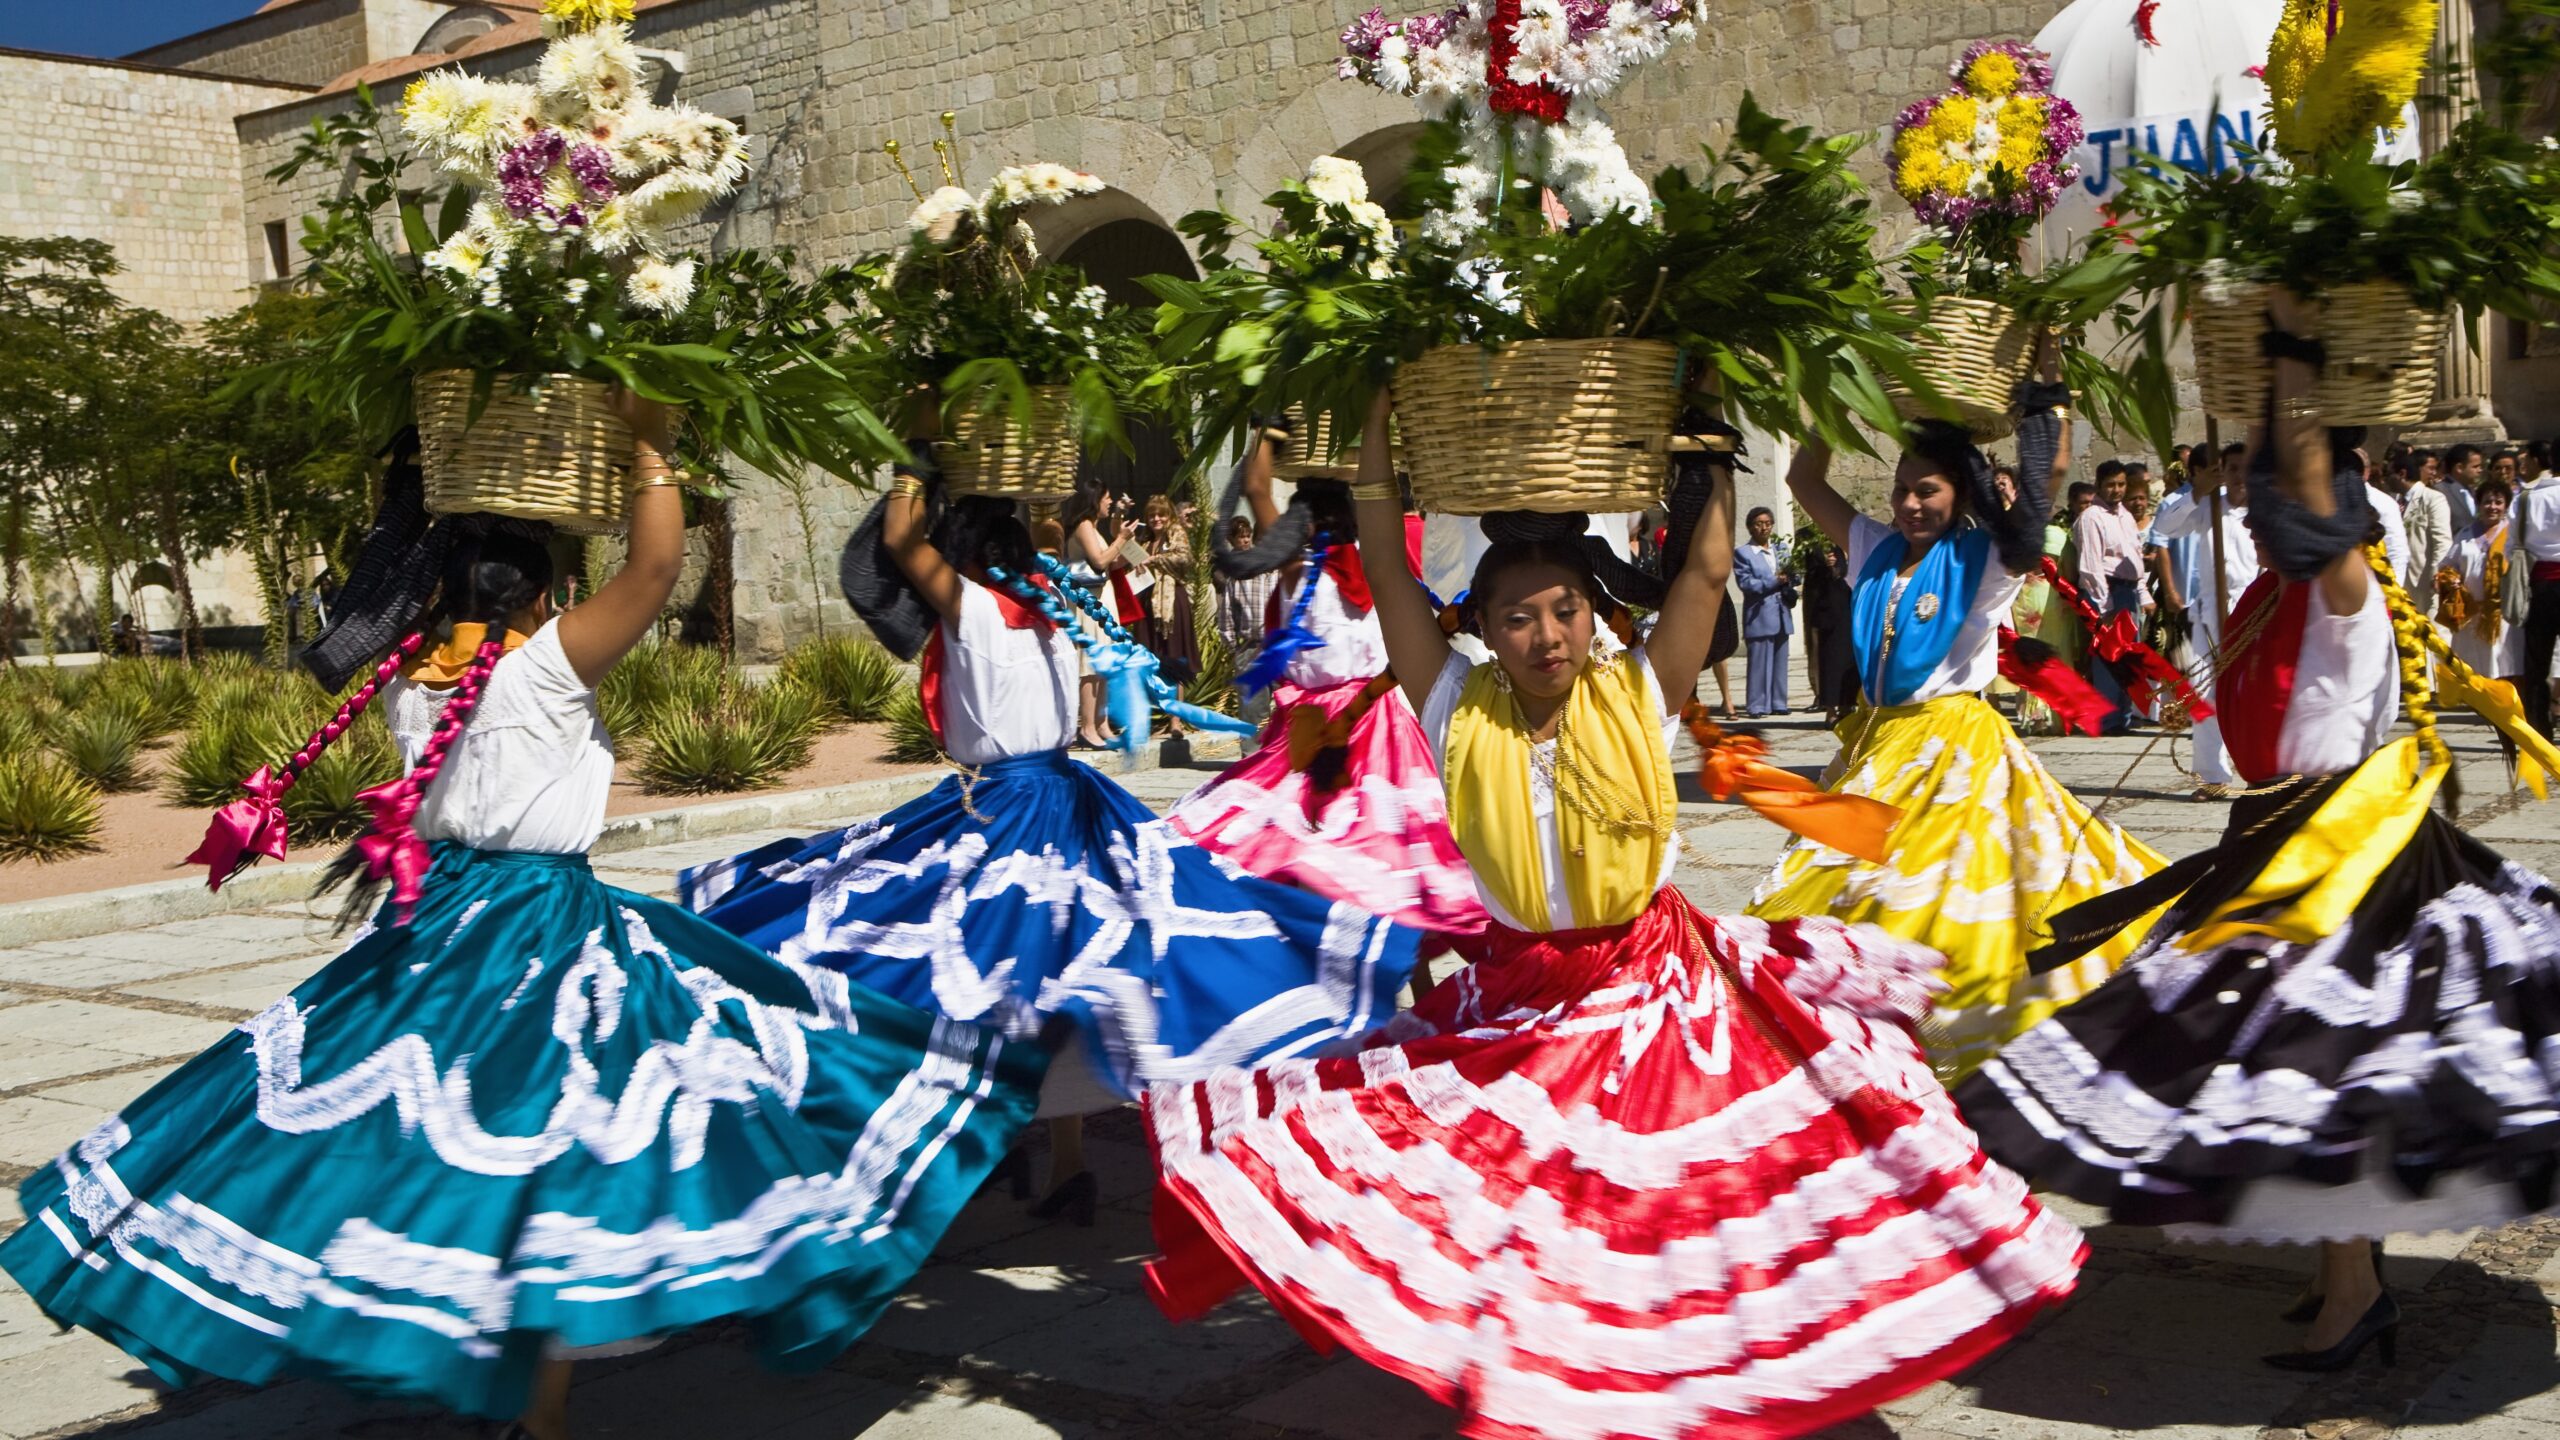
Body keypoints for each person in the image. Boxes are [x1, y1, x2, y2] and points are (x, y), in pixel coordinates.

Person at [4, 405, 1048, 1439]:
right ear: (544, 594)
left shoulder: (407, 678)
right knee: (567, 1134)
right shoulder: (541, 666)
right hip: (539, 923)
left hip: (441, 916)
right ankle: (534, 1396)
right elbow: (652, 570)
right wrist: (650, 442)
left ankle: (478, 1367)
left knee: (438, 1137)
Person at [1143, 387, 2085, 1439]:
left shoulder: (1636, 690)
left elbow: (1704, 572)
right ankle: (1567, 1390)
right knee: (1522, 1223)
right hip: (1516, 997)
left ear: (1593, 616)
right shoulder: (1452, 700)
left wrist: (1712, 444)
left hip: (1650, 993)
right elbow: (1389, 562)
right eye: (1518, 617)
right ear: (1484, 632)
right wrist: (1373, 426)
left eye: (1564, 611)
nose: (1546, 635)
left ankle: (1667, 1388)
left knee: (1655, 1216)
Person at [1955, 291, 2560, 1372]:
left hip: (2342, 857)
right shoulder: (2279, 593)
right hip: (2284, 839)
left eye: (2265, 489)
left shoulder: (2343, 590)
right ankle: (2348, 1281)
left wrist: (2292, 364)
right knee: (2317, 1075)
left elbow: (2310, 496)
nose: (2246, 499)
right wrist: (2269, 402)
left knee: (2318, 1067)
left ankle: (2351, 1291)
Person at [679, 463, 1419, 1225]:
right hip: (1072, 799)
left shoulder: (969, 604)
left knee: (956, 964)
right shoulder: (1053, 613)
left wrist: (921, 454)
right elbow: (1035, 544)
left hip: (1000, 810)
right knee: (1063, 975)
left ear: (961, 558)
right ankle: (1061, 1160)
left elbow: (898, 538)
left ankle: (965, 1140)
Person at [1750, 367, 2166, 1082]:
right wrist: (1830, 394)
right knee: (1842, 883)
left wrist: (2047, 399)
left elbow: (2039, 497)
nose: (1911, 504)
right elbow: (1803, 483)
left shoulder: (1985, 562)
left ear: (1960, 494)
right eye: (1903, 490)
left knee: (1937, 893)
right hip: (1879, 745)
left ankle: (1938, 1031)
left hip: (1951, 751)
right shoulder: (1872, 549)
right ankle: (1859, 1027)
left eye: (1928, 491)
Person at [1167, 419, 1486, 944]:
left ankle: (1321, 958)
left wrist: (1267, 432)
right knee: (1392, 853)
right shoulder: (1375, 565)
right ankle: (1402, 969)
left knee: (1302, 847)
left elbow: (1253, 488)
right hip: (1383, 725)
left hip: (1318, 726)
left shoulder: (1296, 567)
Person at [2150, 439, 2262, 799]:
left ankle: (2263, 770)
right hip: (2210, 613)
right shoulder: (2207, 506)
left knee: (2254, 695)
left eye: (2246, 468)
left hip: (2255, 612)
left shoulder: (2268, 508)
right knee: (2203, 696)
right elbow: (2166, 527)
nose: (2240, 477)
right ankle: (2212, 777)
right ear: (2222, 472)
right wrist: (2198, 492)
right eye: (2232, 469)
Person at [2075, 459, 2150, 733]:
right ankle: (2108, 720)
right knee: (2108, 657)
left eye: (2121, 484)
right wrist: (2103, 605)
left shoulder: (2125, 516)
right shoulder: (2092, 517)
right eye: (2111, 485)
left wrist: (2143, 594)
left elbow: (2134, 558)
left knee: (2128, 657)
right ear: (2098, 485)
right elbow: (2091, 565)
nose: (2117, 490)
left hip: (2127, 592)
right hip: (2107, 592)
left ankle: (2123, 717)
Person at [2443, 476, 2525, 684]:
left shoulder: (2513, 535)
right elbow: (2447, 566)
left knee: (2504, 665)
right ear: (2478, 504)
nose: (2492, 507)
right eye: (2487, 502)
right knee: (2473, 668)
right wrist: (2450, 579)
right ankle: (2481, 704)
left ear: (2506, 505)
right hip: (2470, 612)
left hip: (2503, 615)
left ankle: (2501, 708)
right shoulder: (2465, 533)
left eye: (2498, 502)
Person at [1734, 504, 1795, 715]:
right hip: (1759, 614)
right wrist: (1773, 580)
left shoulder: (1781, 549)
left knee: (1780, 661)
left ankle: (1779, 702)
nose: (1764, 528)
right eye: (1759, 524)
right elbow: (1747, 584)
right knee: (1759, 662)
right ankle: (1757, 705)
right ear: (1750, 527)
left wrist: (1792, 577)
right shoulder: (1743, 553)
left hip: (1781, 612)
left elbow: (1794, 574)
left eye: (1768, 524)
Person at [2518, 447, 2560, 738]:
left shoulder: (2528, 499)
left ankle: (2539, 728)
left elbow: (2513, 546)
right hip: (2545, 580)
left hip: (2541, 584)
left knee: (2537, 661)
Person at [2390, 447, 2454, 618]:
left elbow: (2442, 540)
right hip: (2400, 582)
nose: (2386, 479)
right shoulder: (2394, 501)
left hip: (2424, 582)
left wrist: (2438, 576)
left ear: (2401, 474)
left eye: (2389, 474)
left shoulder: (2432, 499)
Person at [1801, 535, 1857, 722]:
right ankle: (1830, 710)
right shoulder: (1817, 545)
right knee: (1829, 664)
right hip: (1828, 616)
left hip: (1848, 614)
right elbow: (1812, 580)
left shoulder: (1852, 544)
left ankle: (1847, 705)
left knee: (1849, 664)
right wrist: (1827, 567)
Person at [1211, 514, 1274, 650]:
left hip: (1271, 643)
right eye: (1241, 537)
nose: (1246, 541)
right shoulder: (1231, 570)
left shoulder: (1270, 569)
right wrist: (1234, 648)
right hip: (1247, 644)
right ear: (1231, 539)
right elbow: (1226, 612)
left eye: (1248, 536)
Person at [2441, 442, 2484, 536]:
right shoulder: (2440, 491)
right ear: (2459, 468)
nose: (2480, 470)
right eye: (2475, 467)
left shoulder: (2473, 492)